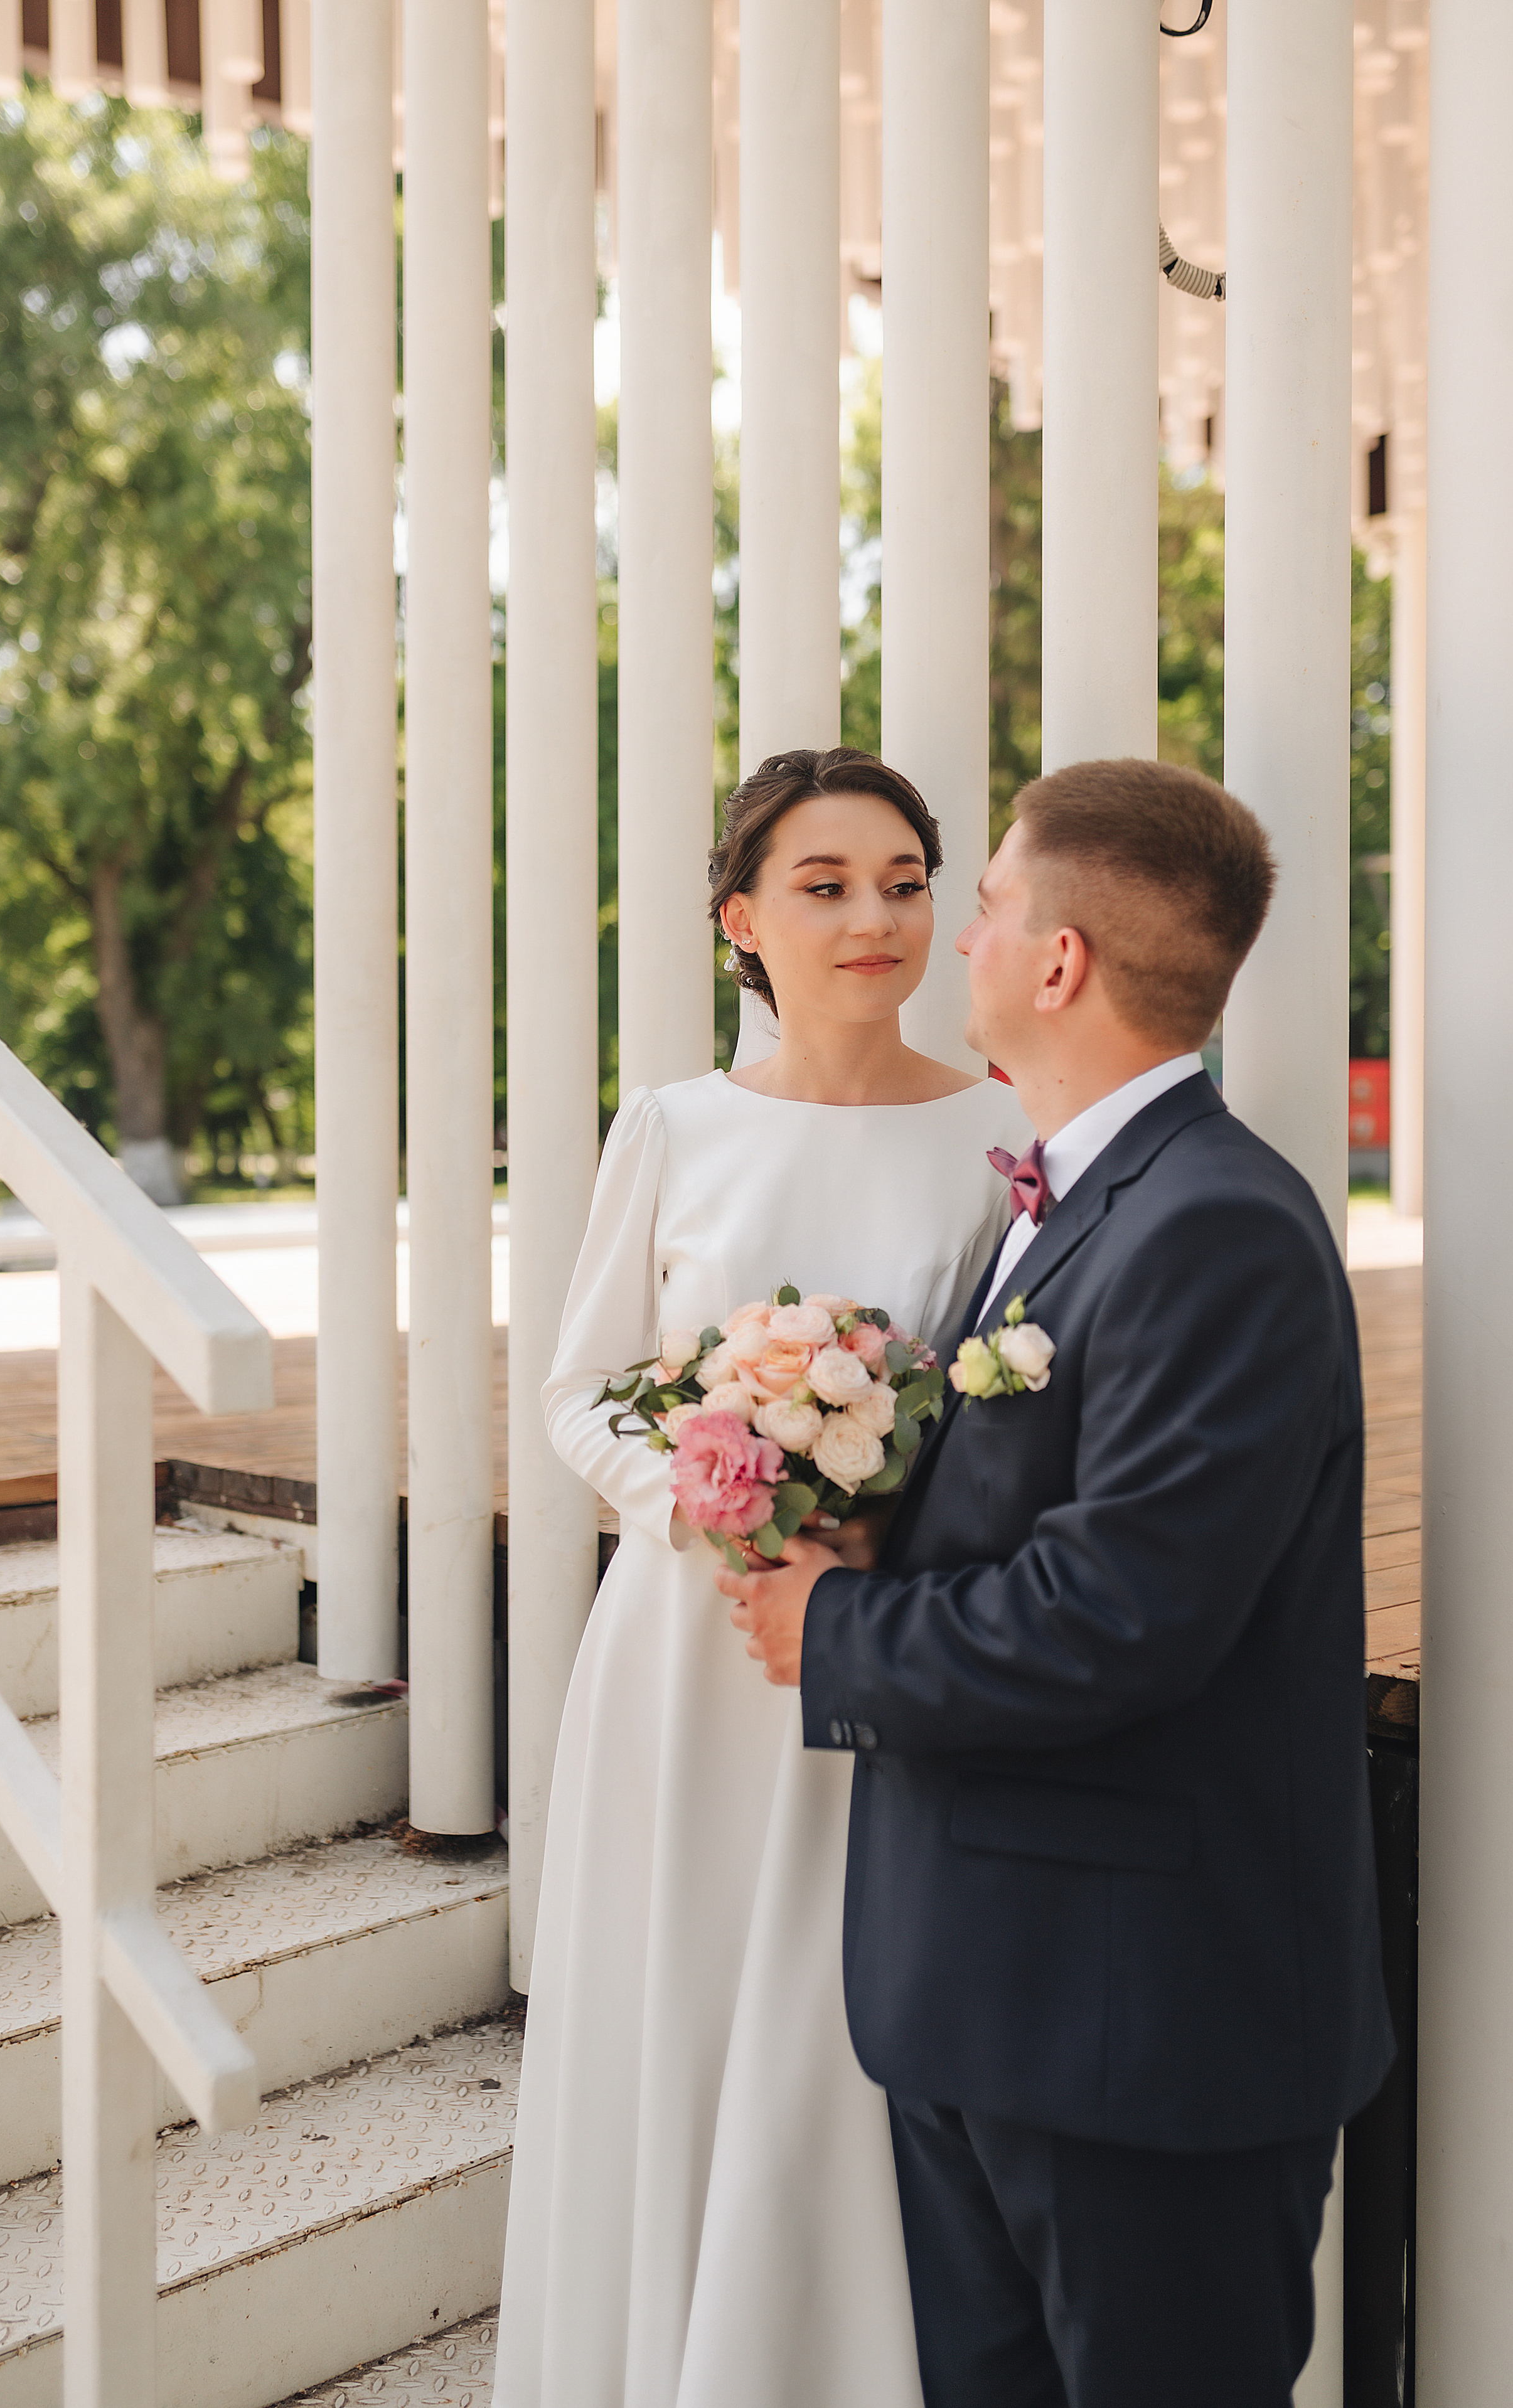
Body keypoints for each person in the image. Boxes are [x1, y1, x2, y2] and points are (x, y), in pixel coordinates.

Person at [717, 756, 1396, 2408]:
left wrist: (834, 1627)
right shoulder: (1062, 1201)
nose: (964, 939)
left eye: (993, 904)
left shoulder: (1216, 1225)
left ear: (1061, 964)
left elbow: (1120, 1615)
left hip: (1142, 2036)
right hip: (991, 2001)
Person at [493, 747, 1034, 2407]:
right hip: (684, 1656)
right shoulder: (672, 1125)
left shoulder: (1008, 1129)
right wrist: (714, 1508)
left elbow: (1018, 1386)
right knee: (683, 2007)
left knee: (838, 2032)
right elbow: (581, 1386)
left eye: (905, 881)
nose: (874, 916)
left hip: (878, 1648)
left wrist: (887, 1524)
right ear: (741, 918)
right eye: (825, 884)